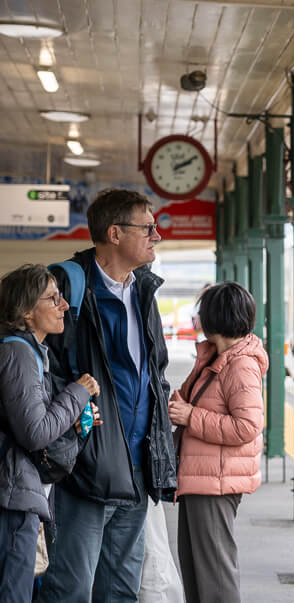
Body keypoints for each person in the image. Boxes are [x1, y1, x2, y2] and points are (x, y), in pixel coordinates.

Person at [39, 189, 177, 603]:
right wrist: (70, 443)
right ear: (115, 233)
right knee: (70, 588)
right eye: (147, 227)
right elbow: (40, 369)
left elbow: (156, 373)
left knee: (120, 590)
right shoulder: (65, 284)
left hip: (137, 466)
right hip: (85, 467)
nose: (157, 235)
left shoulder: (142, 291)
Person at [0, 265, 101, 601]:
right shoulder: (18, 352)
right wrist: (77, 394)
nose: (64, 305)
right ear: (26, 311)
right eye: (53, 298)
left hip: (19, 492)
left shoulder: (29, 352)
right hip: (13, 497)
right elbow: (35, 432)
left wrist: (73, 414)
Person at [169, 281, 267, 603]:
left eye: (202, 313)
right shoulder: (216, 357)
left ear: (215, 317)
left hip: (216, 482)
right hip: (201, 477)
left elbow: (247, 426)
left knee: (215, 577)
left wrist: (190, 416)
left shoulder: (241, 365)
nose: (198, 319)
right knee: (197, 570)